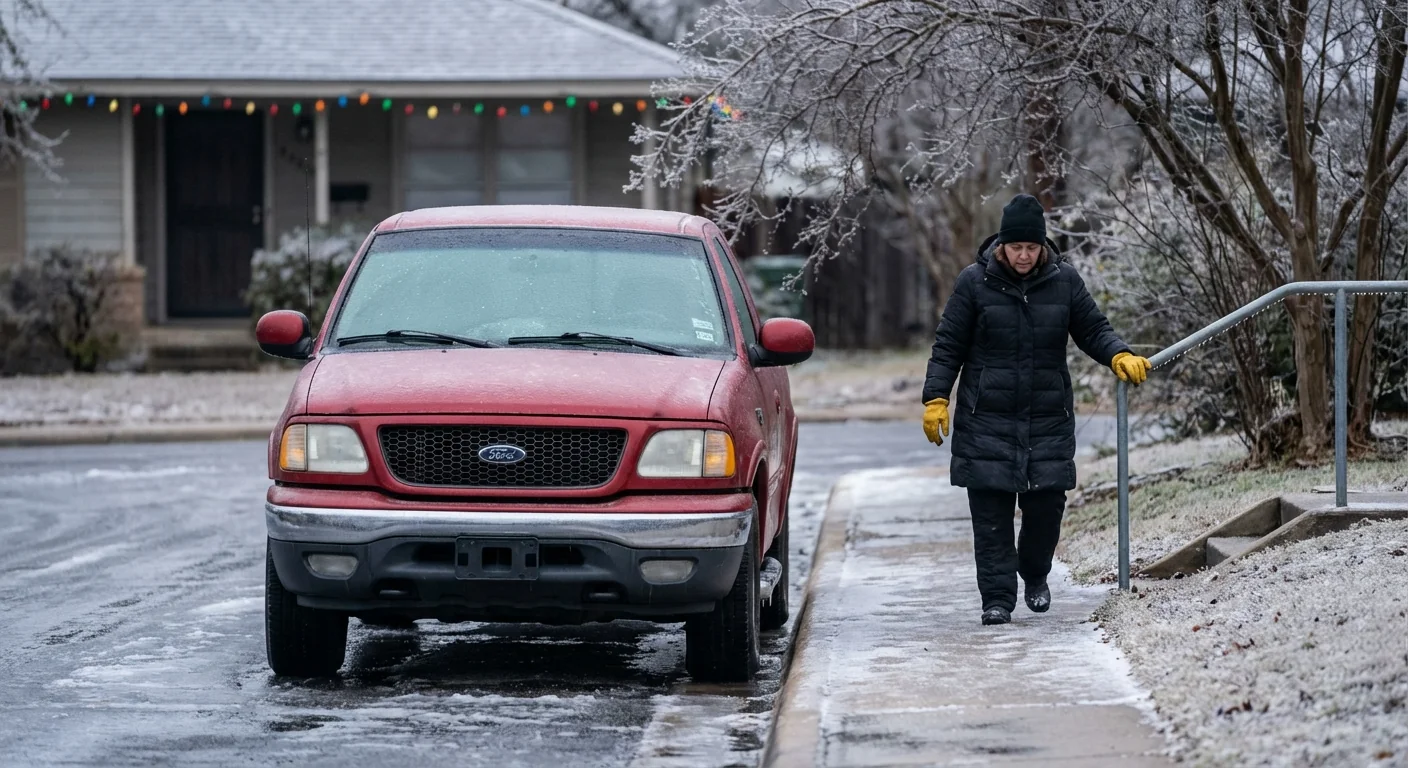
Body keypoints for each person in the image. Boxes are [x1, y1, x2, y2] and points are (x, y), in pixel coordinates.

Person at [921, 193, 1151, 626]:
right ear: (1002, 245)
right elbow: (948, 345)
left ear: (1042, 245)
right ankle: (996, 600)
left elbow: (1093, 329)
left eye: (1031, 247)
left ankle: (1035, 572)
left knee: (1046, 508)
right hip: (985, 419)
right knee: (991, 516)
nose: (1024, 255)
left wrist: (1118, 354)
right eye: (1016, 247)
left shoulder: (1065, 281)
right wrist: (936, 398)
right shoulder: (974, 282)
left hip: (1047, 417)